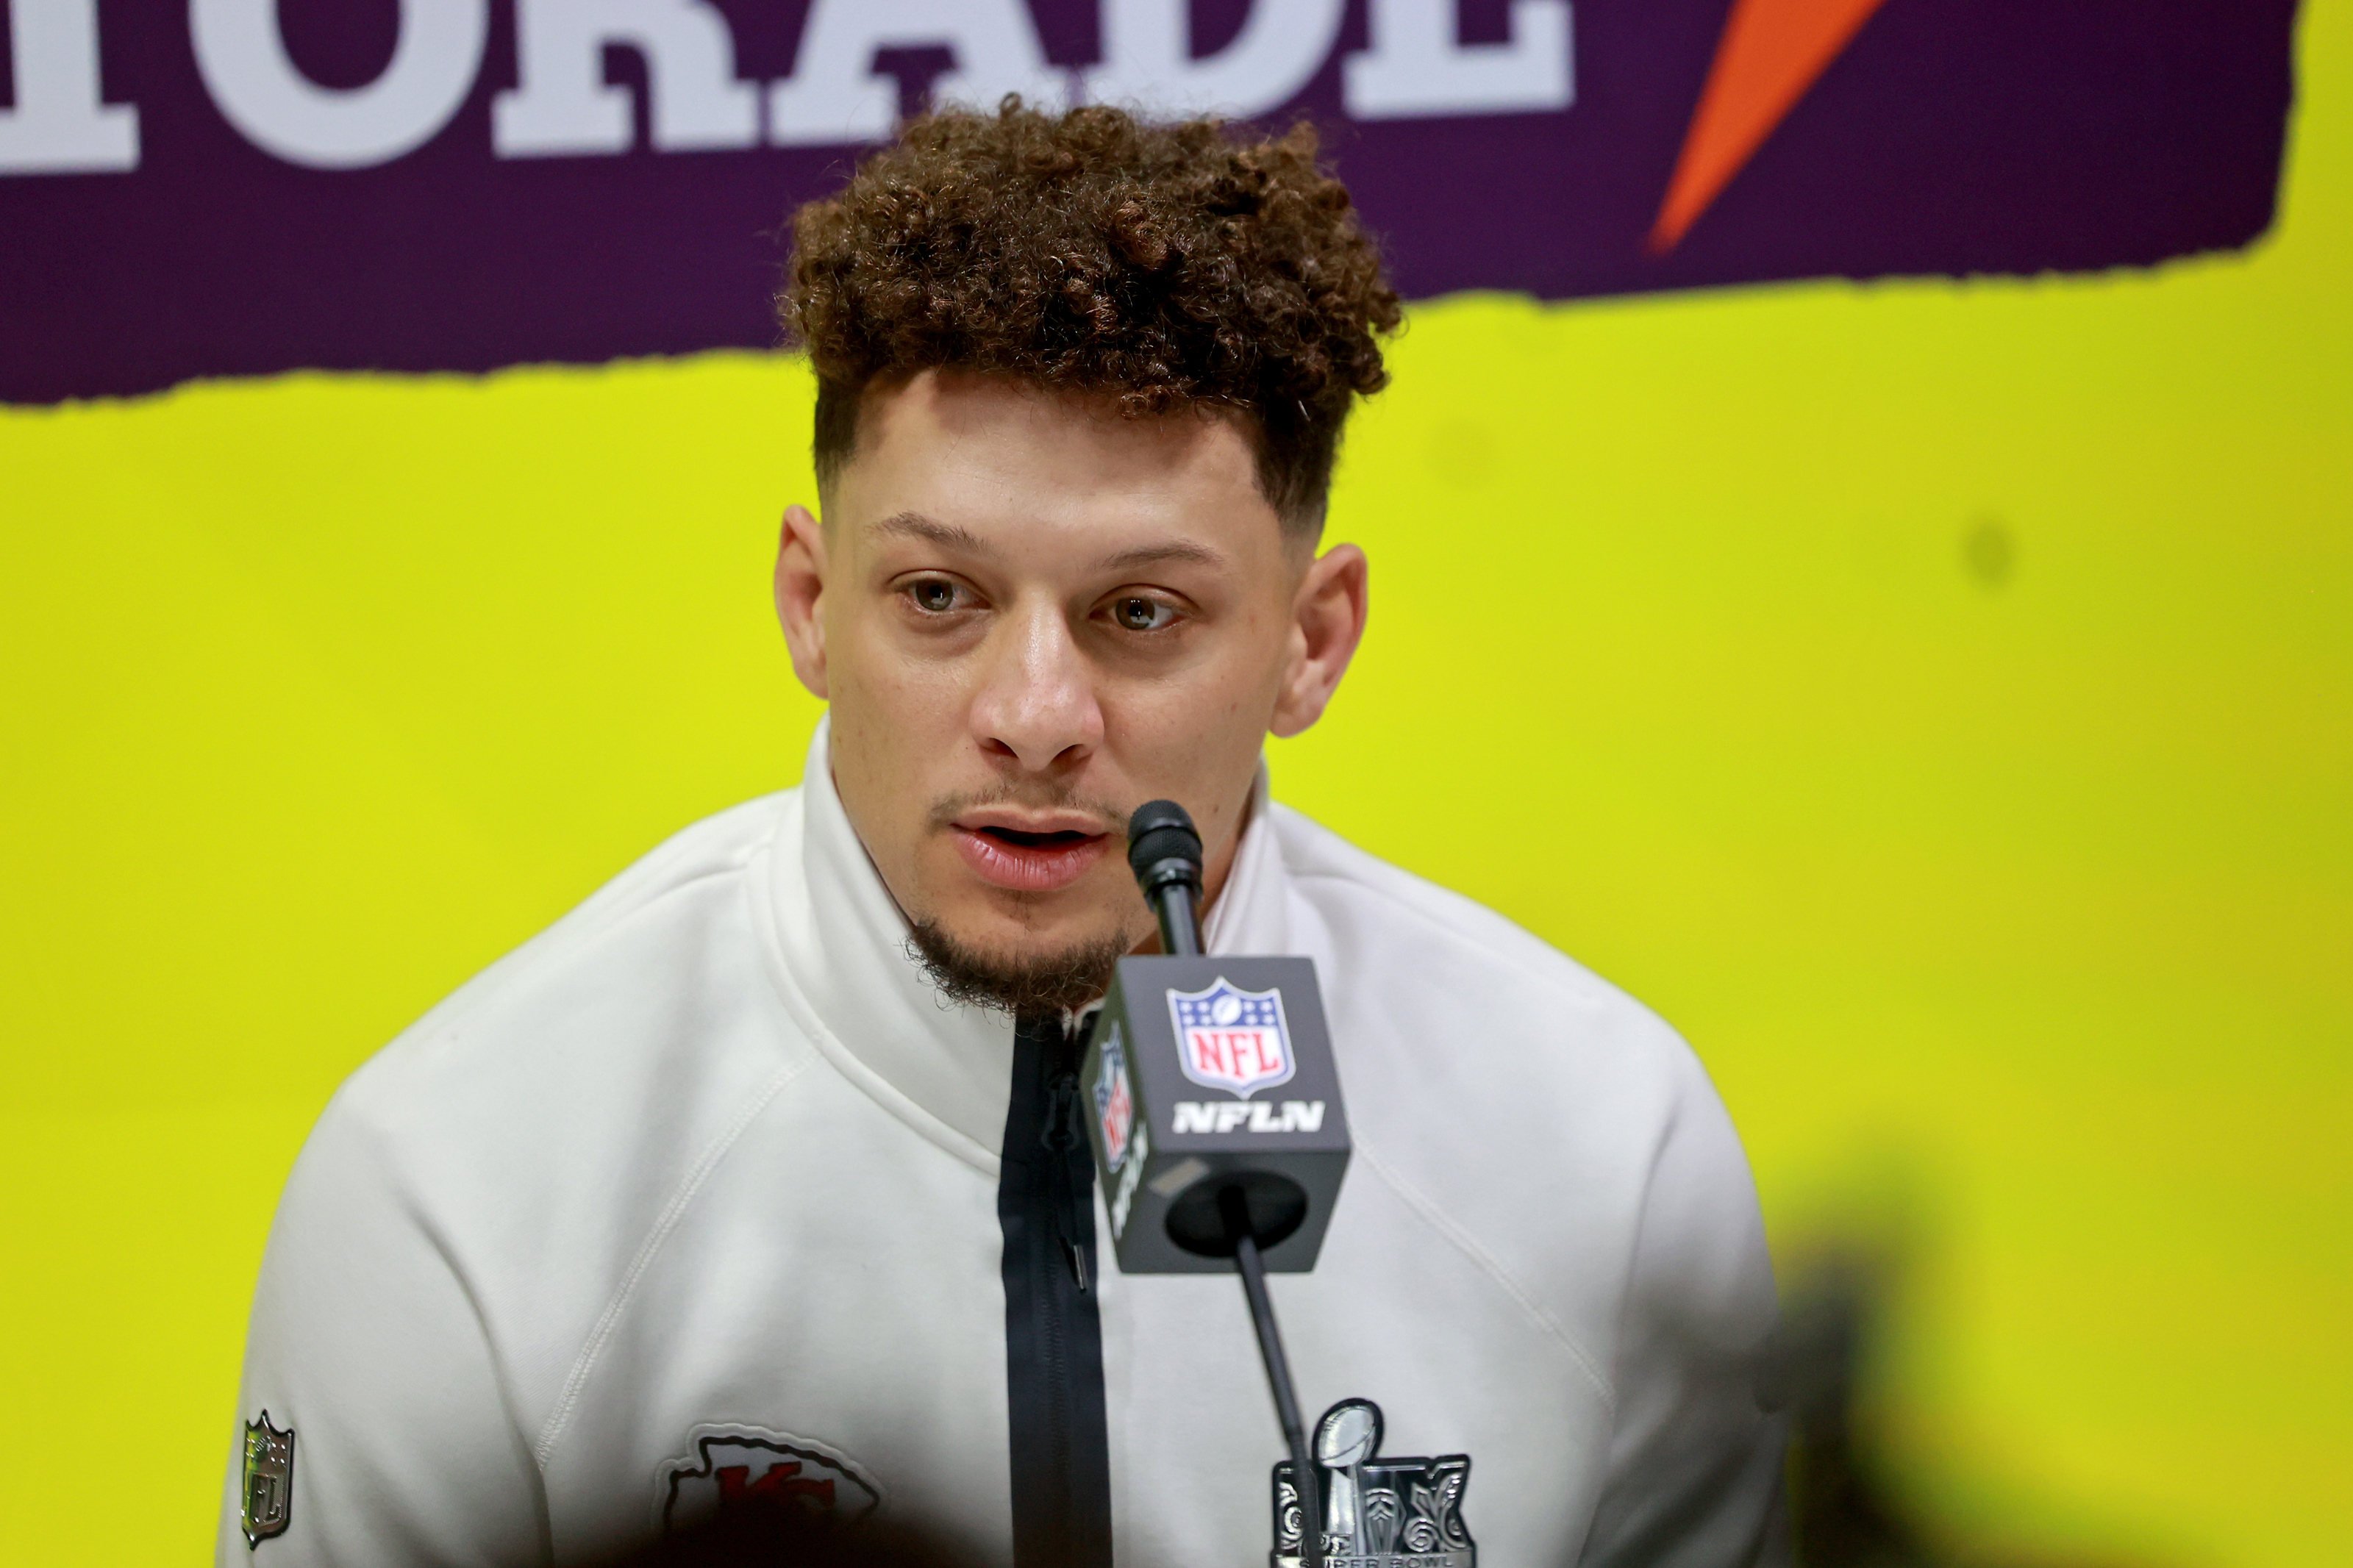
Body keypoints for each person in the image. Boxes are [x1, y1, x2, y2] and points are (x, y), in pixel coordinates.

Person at [219, 102, 1785, 1567]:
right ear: (809, 602)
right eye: (940, 597)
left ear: (1314, 641)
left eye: (1141, 611)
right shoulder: (459, 1180)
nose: (1036, 711)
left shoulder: (1600, 1151)